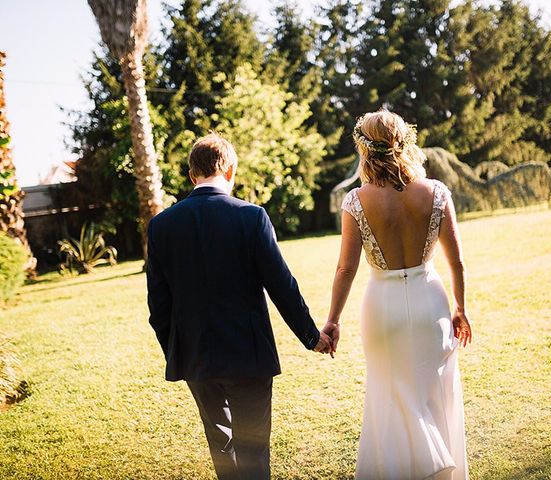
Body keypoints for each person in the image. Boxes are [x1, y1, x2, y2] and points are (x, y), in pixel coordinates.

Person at [146, 133, 334, 480]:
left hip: (195, 357)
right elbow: (282, 286)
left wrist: (179, 352)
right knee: (253, 450)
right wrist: (311, 336)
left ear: (192, 175)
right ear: (231, 169)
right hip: (249, 355)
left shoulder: (161, 226)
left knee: (220, 446)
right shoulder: (251, 217)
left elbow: (158, 307)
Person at [323, 110, 472, 479]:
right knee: (432, 392)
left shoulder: (356, 201)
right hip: (431, 305)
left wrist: (332, 320)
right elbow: (458, 263)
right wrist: (460, 308)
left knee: (389, 397)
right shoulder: (436, 192)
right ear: (406, 143)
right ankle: (439, 465)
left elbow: (346, 268)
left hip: (382, 309)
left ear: (364, 149)